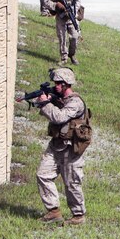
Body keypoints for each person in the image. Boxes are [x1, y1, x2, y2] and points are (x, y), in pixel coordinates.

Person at [34, 67, 87, 225]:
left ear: (66, 84)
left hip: (71, 149)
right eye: (55, 82)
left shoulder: (75, 103)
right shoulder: (59, 98)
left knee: (71, 183)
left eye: (58, 83)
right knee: (43, 174)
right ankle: (53, 211)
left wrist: (44, 103)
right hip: (56, 145)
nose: (55, 85)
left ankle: (78, 216)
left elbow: (59, 117)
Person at [45, 0, 81, 65]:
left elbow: (78, 1)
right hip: (60, 17)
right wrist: (56, 5)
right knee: (62, 38)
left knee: (74, 37)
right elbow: (47, 2)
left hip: (71, 16)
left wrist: (73, 12)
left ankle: (72, 55)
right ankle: (64, 58)